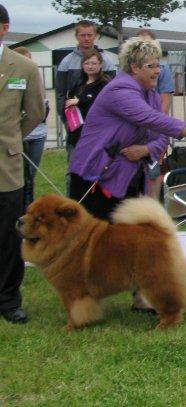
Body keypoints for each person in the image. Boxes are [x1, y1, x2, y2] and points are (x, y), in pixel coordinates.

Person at [67, 37, 186, 313]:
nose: (157, 71)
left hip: (128, 176)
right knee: (88, 240)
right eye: (151, 65)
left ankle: (142, 296)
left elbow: (160, 136)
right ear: (134, 67)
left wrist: (145, 148)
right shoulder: (120, 89)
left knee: (133, 241)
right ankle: (79, 299)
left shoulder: (151, 93)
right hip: (96, 176)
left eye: (159, 65)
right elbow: (154, 120)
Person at [0, 4, 46, 324]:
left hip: (6, 166)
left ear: (4, 27)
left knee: (8, 235)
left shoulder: (24, 68)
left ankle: (8, 299)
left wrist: (13, 139)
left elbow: (34, 113)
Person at [55, 19, 117, 156]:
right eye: (83, 35)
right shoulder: (66, 62)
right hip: (75, 122)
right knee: (74, 164)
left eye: (90, 35)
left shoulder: (106, 61)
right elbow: (60, 93)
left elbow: (112, 93)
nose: (86, 38)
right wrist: (65, 119)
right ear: (77, 36)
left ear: (95, 36)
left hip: (100, 123)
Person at [134, 29, 176, 199]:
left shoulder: (162, 71)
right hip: (134, 129)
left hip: (153, 128)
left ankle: (153, 207)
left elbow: (165, 102)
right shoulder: (128, 74)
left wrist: (160, 129)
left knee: (153, 171)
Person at [11, 47, 47, 208]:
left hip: (37, 133)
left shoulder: (35, 77)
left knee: (30, 175)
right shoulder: (12, 79)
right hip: (18, 137)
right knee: (18, 176)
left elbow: (40, 110)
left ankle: (28, 205)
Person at [63, 49, 111, 151]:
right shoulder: (79, 84)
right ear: (82, 65)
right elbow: (68, 100)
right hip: (76, 132)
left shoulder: (105, 84)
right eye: (87, 63)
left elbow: (103, 103)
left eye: (94, 63)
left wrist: (80, 101)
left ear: (100, 65)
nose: (90, 66)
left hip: (96, 133)